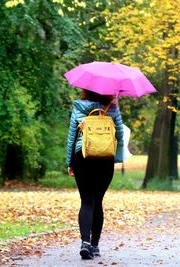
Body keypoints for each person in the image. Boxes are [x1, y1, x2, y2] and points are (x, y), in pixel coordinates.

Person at [66, 89, 124, 260]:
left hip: (82, 156)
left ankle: (85, 242)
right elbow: (119, 136)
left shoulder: (78, 107)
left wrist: (70, 163)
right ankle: (95, 245)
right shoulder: (112, 108)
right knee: (98, 201)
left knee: (86, 201)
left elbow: (71, 137)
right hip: (105, 160)